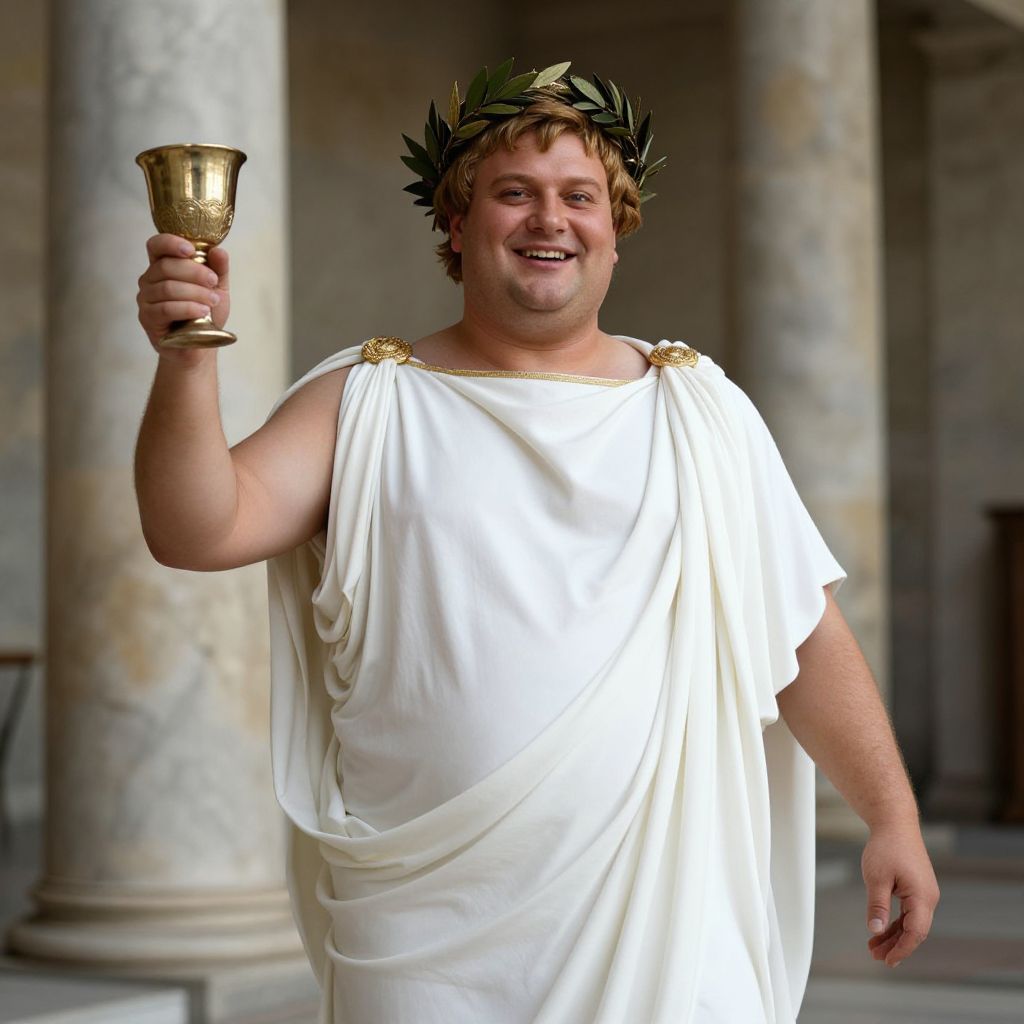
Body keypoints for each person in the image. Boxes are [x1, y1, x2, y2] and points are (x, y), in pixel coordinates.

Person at [135, 61, 940, 1024]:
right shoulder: (368, 399)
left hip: (666, 912)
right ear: (457, 222)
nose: (548, 220)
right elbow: (197, 529)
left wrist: (891, 816)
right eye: (513, 193)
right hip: (431, 928)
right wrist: (186, 351)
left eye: (579, 197)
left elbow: (804, 634)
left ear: (617, 228)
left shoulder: (700, 409)